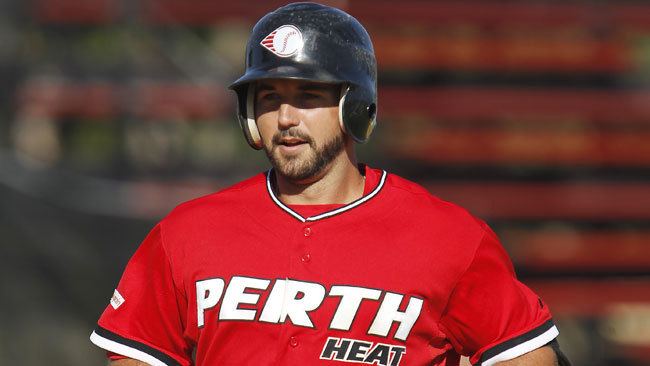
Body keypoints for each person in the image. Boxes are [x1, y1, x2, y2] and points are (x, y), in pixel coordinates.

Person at [90, 2, 570, 365]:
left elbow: (525, 353)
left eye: (309, 95)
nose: (285, 117)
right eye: (270, 96)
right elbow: (135, 353)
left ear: (355, 107)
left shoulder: (449, 238)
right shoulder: (188, 232)